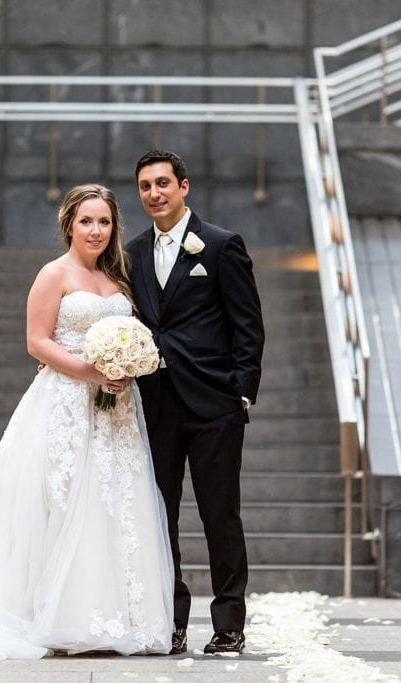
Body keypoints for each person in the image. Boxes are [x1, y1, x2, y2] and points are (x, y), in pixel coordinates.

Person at [0, 184, 174, 660]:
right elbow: (37, 342)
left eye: (104, 222)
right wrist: (91, 371)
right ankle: (56, 617)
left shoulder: (120, 277)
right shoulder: (53, 274)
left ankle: (119, 618)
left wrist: (125, 371)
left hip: (116, 411)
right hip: (64, 403)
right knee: (64, 502)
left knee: (114, 502)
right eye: (87, 221)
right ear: (69, 224)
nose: (96, 230)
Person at [126, 150, 265, 655]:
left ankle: (229, 624)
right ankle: (171, 620)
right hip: (154, 405)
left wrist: (242, 390)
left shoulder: (222, 246)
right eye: (144, 186)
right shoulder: (132, 252)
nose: (154, 193)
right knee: (159, 517)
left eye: (163, 183)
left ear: (184, 187)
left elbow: (248, 323)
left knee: (219, 515)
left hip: (215, 406)